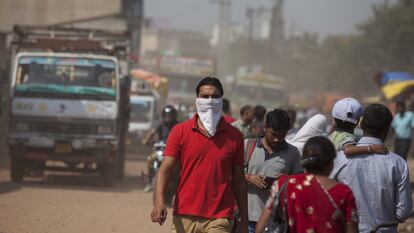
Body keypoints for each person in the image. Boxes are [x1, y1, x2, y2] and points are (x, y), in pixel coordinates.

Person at [151, 77, 248, 233]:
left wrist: (244, 219)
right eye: (205, 96)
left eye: (215, 96)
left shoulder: (235, 136)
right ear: (197, 99)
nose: (210, 101)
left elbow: (239, 181)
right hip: (185, 213)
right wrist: (159, 202)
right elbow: (165, 170)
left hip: (220, 216)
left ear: (221, 100)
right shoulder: (180, 131)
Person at [330, 104, 413, 233]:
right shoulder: (398, 163)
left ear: (361, 125)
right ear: (388, 130)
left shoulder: (338, 160)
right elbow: (403, 213)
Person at [256, 136, 359, 233]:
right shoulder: (344, 193)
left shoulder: (284, 184)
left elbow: (260, 228)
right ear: (331, 164)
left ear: (304, 161)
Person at [244, 109, 303, 233]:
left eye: (281, 136)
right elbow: (229, 174)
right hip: (246, 219)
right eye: (273, 135)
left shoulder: (293, 153)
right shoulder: (247, 146)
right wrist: (249, 178)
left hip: (274, 222)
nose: (276, 139)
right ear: (265, 127)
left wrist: (286, 180)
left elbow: (301, 183)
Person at [141, 105, 179, 192]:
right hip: (161, 148)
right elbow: (152, 132)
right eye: (167, 115)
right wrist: (146, 141)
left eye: (170, 116)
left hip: (175, 150)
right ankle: (150, 181)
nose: (168, 118)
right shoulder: (160, 124)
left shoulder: (178, 125)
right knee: (150, 158)